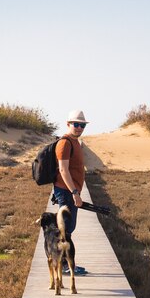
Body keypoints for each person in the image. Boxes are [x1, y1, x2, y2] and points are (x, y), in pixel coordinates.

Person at [53, 109, 88, 275]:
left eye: (82, 125)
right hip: (66, 191)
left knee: (68, 228)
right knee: (65, 229)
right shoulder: (65, 143)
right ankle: (65, 266)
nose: (79, 128)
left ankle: (65, 264)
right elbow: (63, 170)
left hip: (71, 191)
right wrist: (74, 192)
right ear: (68, 124)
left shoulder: (75, 142)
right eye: (76, 124)